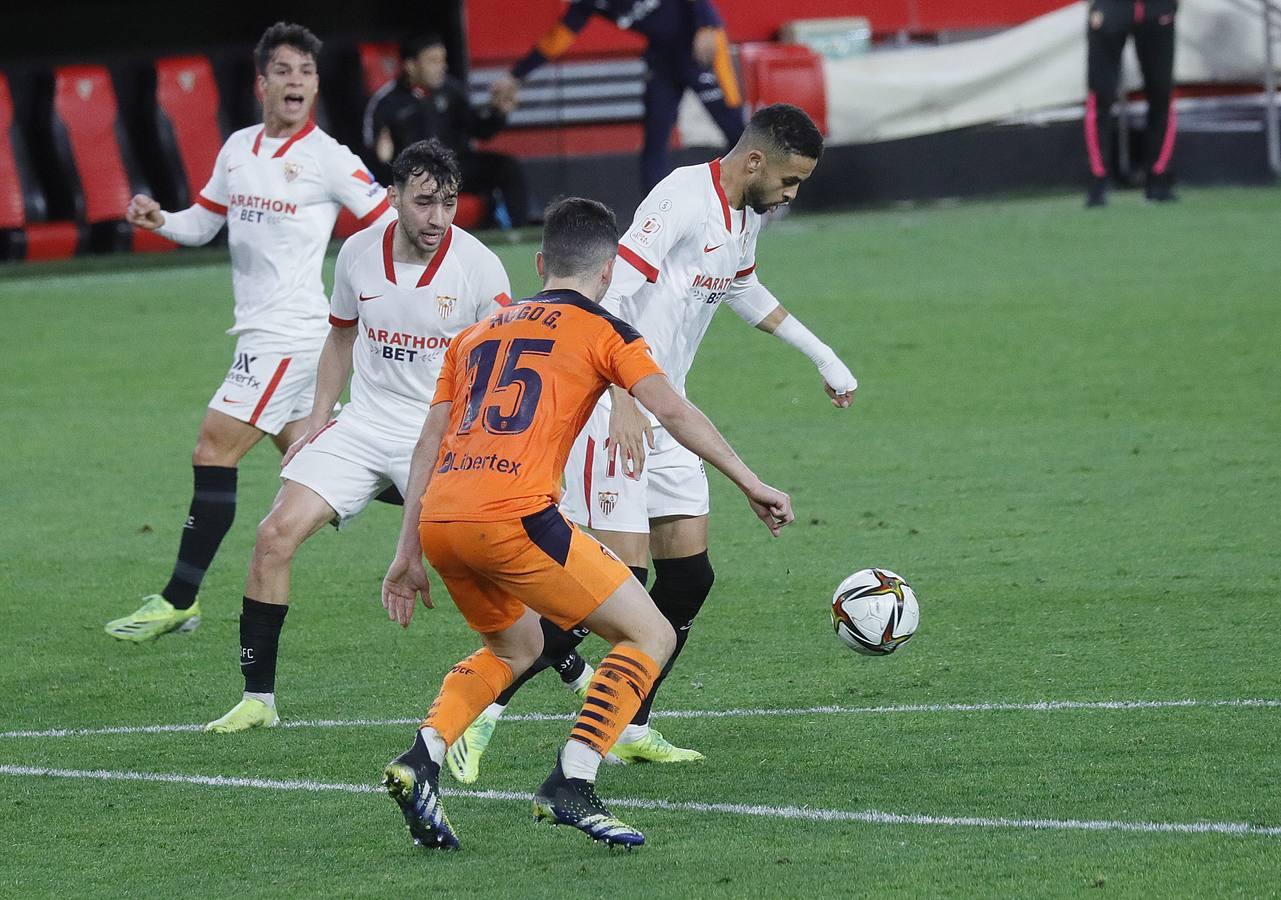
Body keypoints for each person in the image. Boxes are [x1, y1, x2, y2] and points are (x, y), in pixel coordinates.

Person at [446, 103, 856, 782]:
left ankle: (627, 726)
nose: (791, 194)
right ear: (754, 161)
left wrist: (821, 355)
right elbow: (605, 299)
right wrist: (620, 397)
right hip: (615, 411)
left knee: (689, 576)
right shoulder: (678, 197)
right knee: (616, 584)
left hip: (668, 411)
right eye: (790, 180)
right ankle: (478, 716)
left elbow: (741, 288)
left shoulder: (744, 218)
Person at [379, 196, 794, 850]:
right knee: (649, 634)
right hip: (512, 516)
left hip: (441, 521)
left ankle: (421, 759)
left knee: (516, 648)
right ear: (607, 273)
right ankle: (571, 780)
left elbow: (429, 440)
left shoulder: (478, 332)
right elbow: (674, 413)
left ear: (541, 262)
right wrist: (749, 481)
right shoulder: (606, 330)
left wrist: (407, 549)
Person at [204, 140, 516, 732]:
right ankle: (257, 700)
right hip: (365, 424)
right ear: (393, 196)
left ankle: (568, 667)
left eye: (448, 203)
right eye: (424, 202)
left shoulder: (478, 266)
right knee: (273, 536)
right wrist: (320, 419)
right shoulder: (357, 254)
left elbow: (502, 363)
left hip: (442, 434)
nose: (437, 218)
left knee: (485, 565)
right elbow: (342, 336)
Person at [107, 22, 394, 643]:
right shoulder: (237, 148)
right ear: (261, 82)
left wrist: (385, 297)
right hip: (266, 338)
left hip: (289, 337)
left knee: (213, 448)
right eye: (285, 71)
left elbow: (389, 221)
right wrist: (161, 220)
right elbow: (204, 222)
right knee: (338, 461)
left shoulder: (329, 159)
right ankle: (467, 482)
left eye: (306, 73)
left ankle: (179, 599)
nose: (296, 82)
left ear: (316, 86)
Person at [491, 0, 745, 191]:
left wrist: (707, 24)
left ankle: (760, 197)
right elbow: (559, 37)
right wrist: (516, 76)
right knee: (655, 139)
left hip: (700, 46)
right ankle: (655, 218)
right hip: (662, 59)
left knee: (735, 128)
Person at [364, 33, 528, 226]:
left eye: (442, 60)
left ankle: (517, 231)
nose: (442, 67)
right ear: (410, 66)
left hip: (455, 168)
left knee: (507, 167)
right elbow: (374, 156)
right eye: (433, 61)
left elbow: (479, 130)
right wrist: (381, 156)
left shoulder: (452, 91)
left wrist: (498, 114)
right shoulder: (386, 102)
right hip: (414, 177)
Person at [1084, 0, 1178, 206]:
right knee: (1100, 95)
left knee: (1161, 93)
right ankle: (1097, 182)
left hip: (1157, 8)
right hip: (1111, 7)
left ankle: (1158, 180)